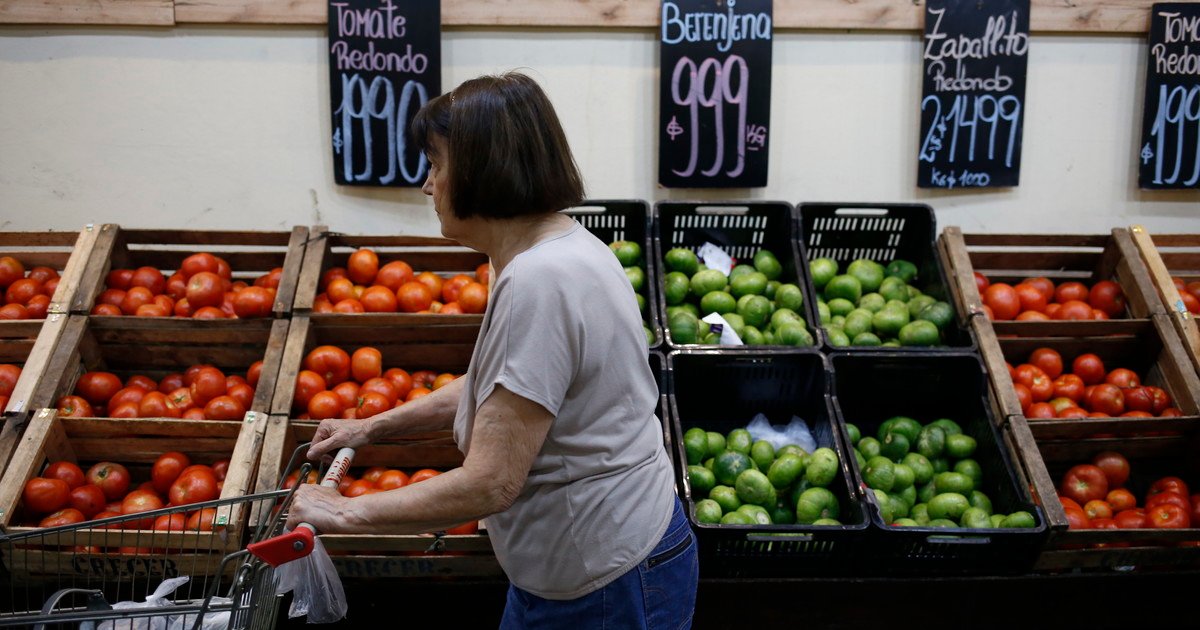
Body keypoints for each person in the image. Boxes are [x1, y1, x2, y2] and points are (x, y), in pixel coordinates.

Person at [287, 71, 698, 628]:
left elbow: (491, 482)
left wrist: (344, 512)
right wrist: (373, 427)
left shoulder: (541, 280)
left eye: (435, 164)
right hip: (584, 562)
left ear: (481, 169)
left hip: (604, 580)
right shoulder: (553, 248)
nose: (427, 186)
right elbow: (500, 387)